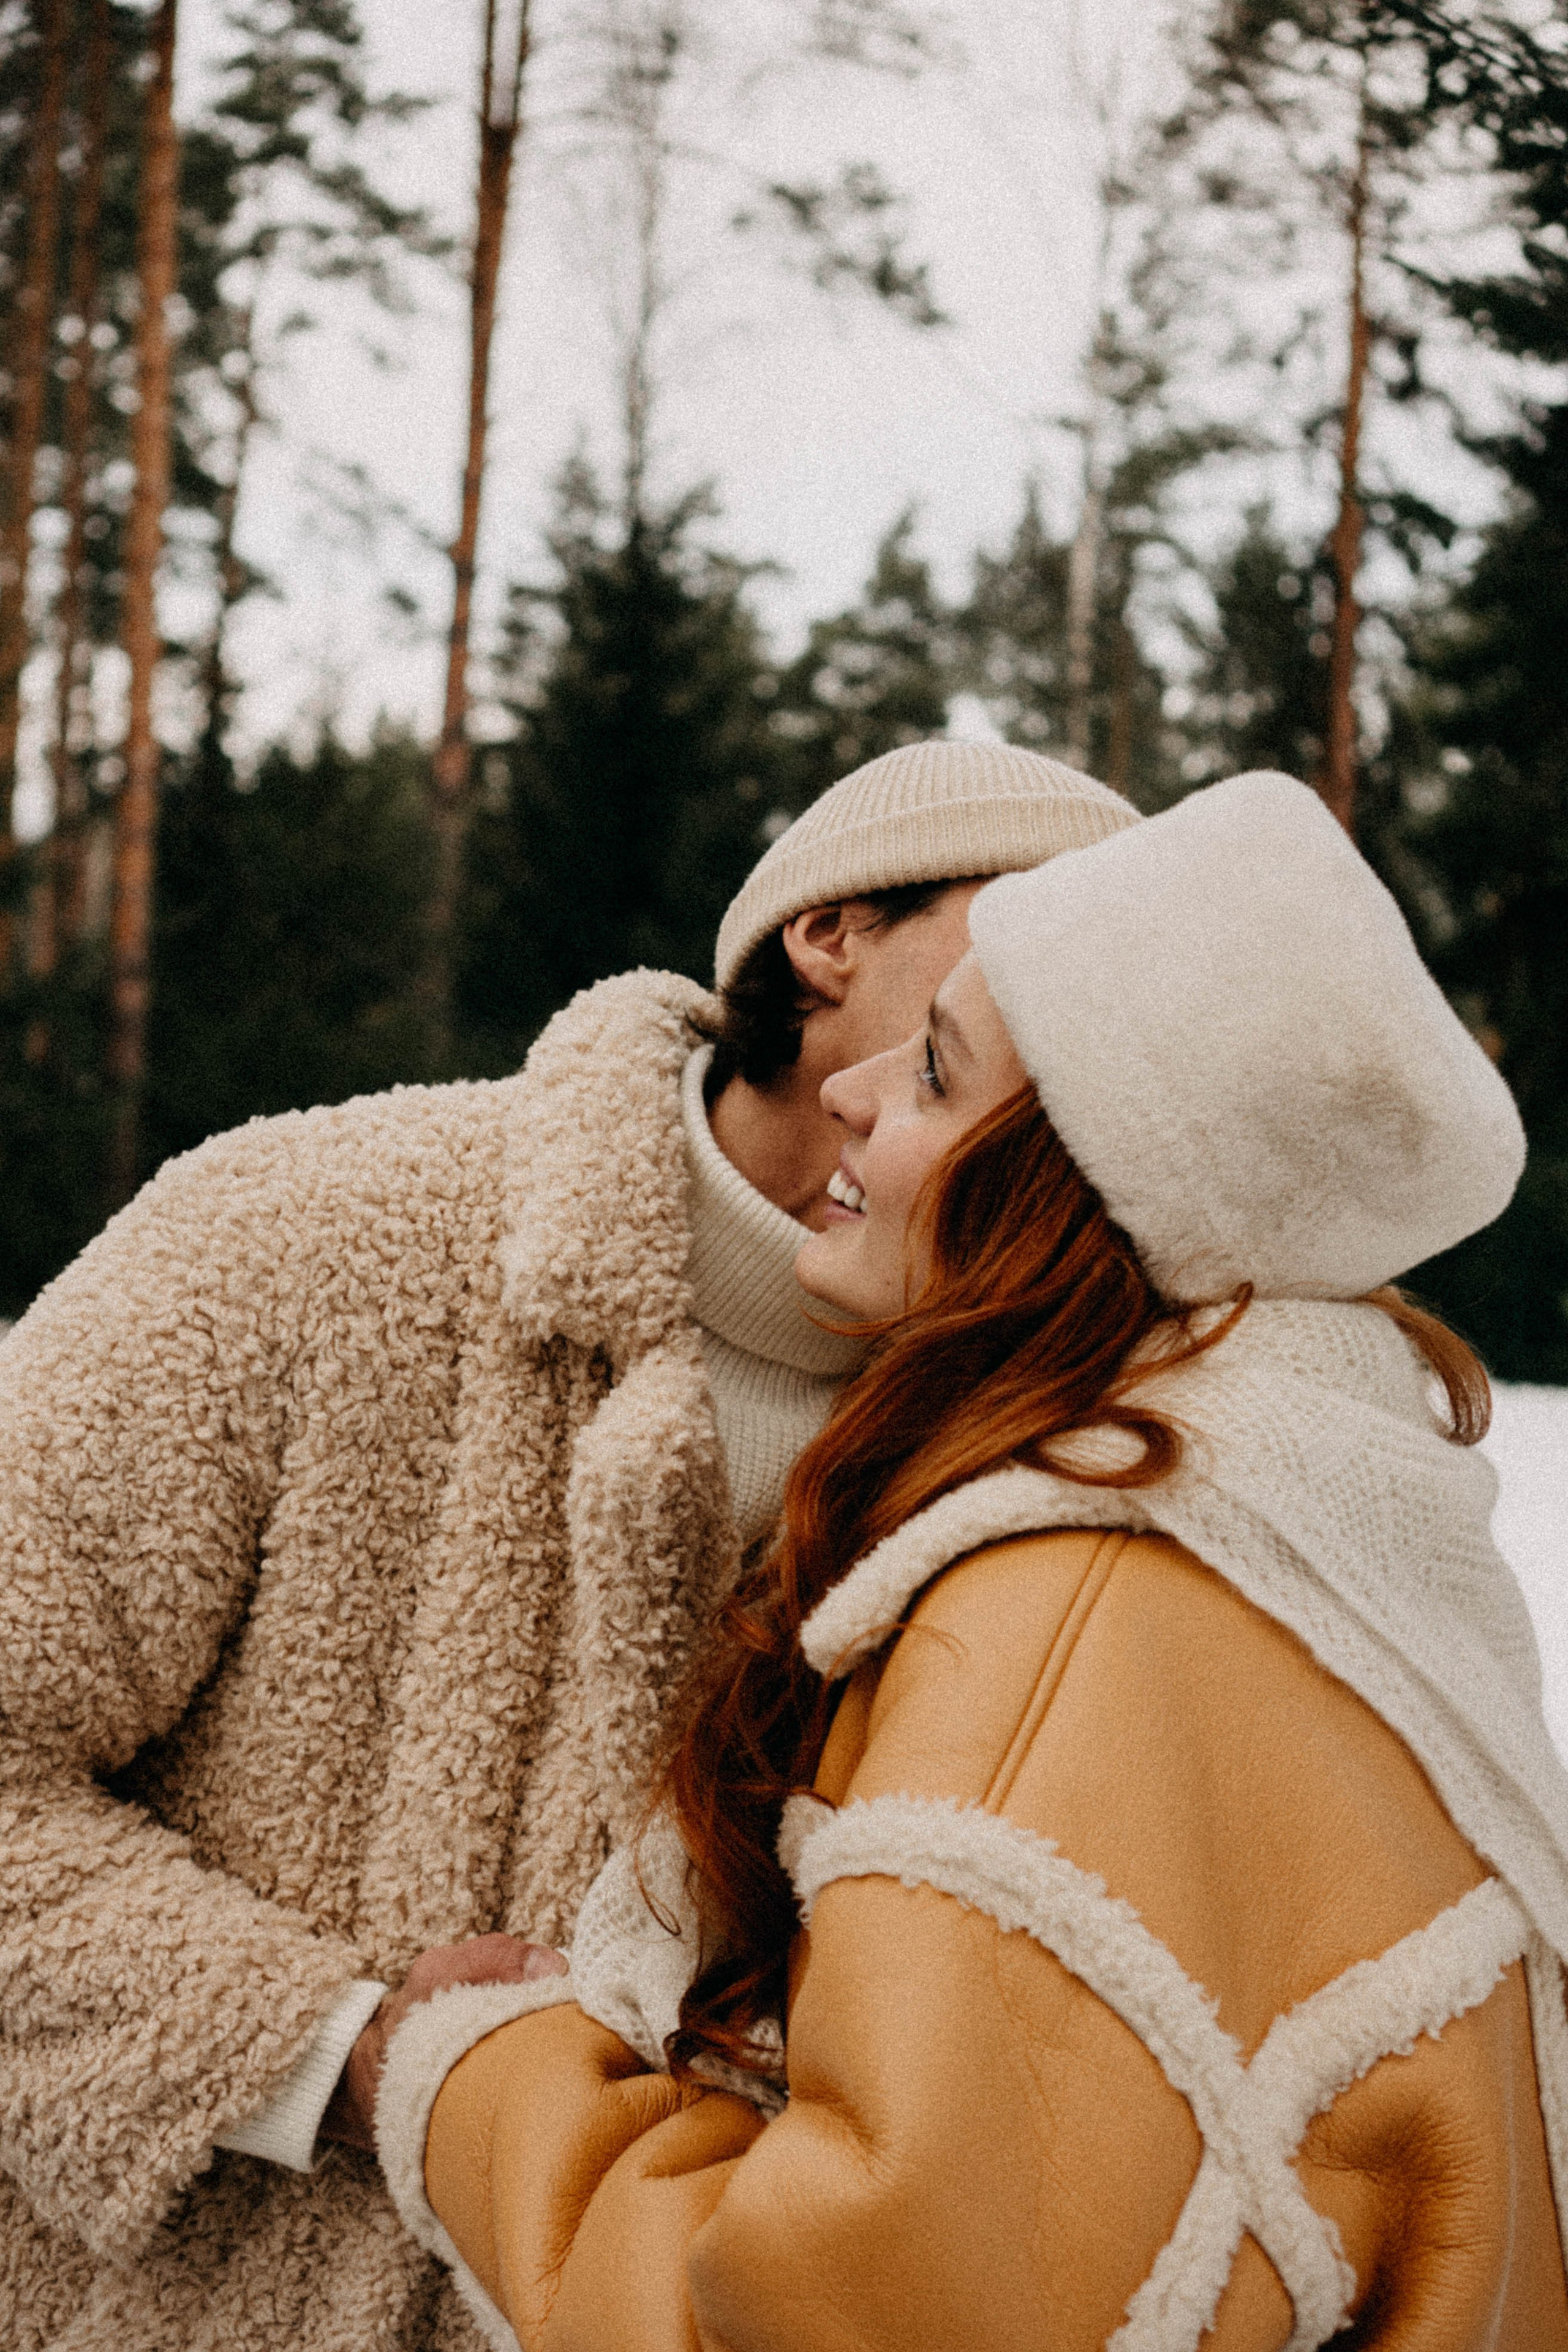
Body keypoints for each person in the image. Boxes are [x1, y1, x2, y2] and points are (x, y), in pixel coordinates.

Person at [374, 772, 1568, 2352]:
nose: (862, 1096)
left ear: (1083, 1195)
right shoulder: (1331, 1552)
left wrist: (470, 2071)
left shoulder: (1071, 1617)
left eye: (936, 1072)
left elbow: (830, 2323)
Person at [0, 740, 1142, 2352]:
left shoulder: (1065, 1450)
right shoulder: (311, 1233)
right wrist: (330, 2056)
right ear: (830, 931)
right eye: (1043, 929)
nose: (1083, 999)